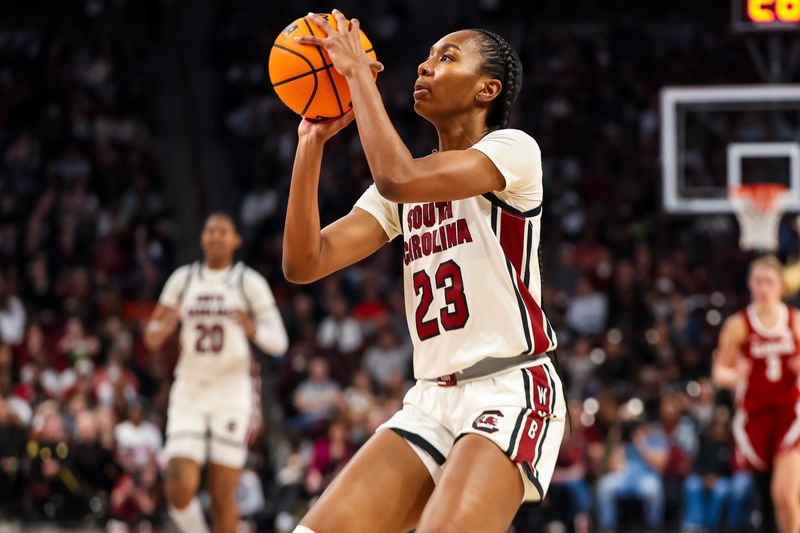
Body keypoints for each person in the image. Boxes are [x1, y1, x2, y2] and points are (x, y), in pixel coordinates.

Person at [283, 11, 565, 533]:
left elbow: (398, 177)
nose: (425, 66)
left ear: (488, 90)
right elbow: (305, 262)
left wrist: (356, 79)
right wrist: (310, 146)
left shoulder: (513, 151)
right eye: (429, 56)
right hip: (431, 398)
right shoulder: (406, 187)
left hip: (508, 388)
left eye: (447, 58)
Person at [144, 213, 288, 533]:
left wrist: (253, 329)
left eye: (223, 231)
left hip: (232, 390)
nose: (216, 236)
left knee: (224, 494)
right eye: (210, 230)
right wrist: (164, 327)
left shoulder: (247, 282)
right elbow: (151, 334)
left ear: (236, 239)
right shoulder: (184, 279)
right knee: (178, 487)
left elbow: (279, 342)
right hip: (190, 390)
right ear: (202, 238)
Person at [712, 255, 800, 533]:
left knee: (784, 495)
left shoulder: (795, 321)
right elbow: (718, 373)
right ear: (750, 284)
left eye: (769, 281)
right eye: (758, 281)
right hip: (755, 415)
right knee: (765, 498)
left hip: (790, 413)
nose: (763, 288)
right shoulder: (738, 325)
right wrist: (736, 376)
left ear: (780, 286)